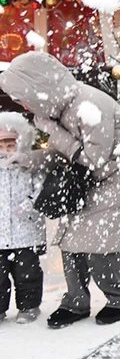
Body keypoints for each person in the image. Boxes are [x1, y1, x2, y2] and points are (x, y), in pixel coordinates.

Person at [0, 53, 120, 329]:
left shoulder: (89, 104)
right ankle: (76, 302)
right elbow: (64, 153)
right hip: (94, 175)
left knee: (95, 236)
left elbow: (94, 158)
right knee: (70, 236)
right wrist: (28, 158)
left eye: (24, 97)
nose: (24, 105)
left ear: (40, 90)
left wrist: (51, 130)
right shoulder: (64, 109)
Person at [0, 112, 44, 324]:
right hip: (0, 235)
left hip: (26, 233)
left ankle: (29, 306)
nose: (6, 151)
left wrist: (29, 204)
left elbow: (40, 190)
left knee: (27, 273)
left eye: (11, 146)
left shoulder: (29, 167)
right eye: (2, 146)